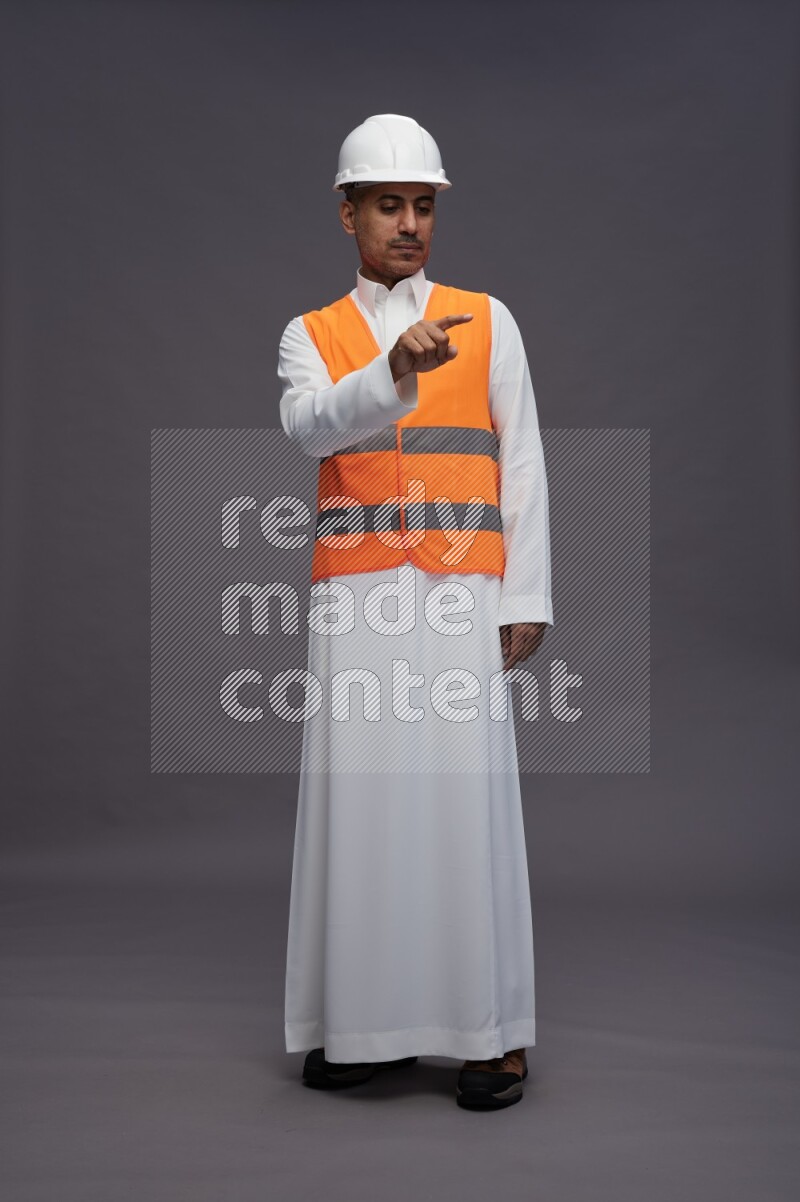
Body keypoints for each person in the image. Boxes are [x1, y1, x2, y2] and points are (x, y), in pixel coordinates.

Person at [278, 114, 553, 1110]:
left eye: (422, 205)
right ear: (346, 212)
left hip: (459, 593)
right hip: (356, 602)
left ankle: (493, 1034)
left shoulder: (489, 318)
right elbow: (309, 425)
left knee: (463, 807)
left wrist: (524, 595)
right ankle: (363, 1027)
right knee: (364, 810)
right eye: (388, 204)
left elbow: (517, 459)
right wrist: (394, 364)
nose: (408, 223)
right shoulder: (309, 334)